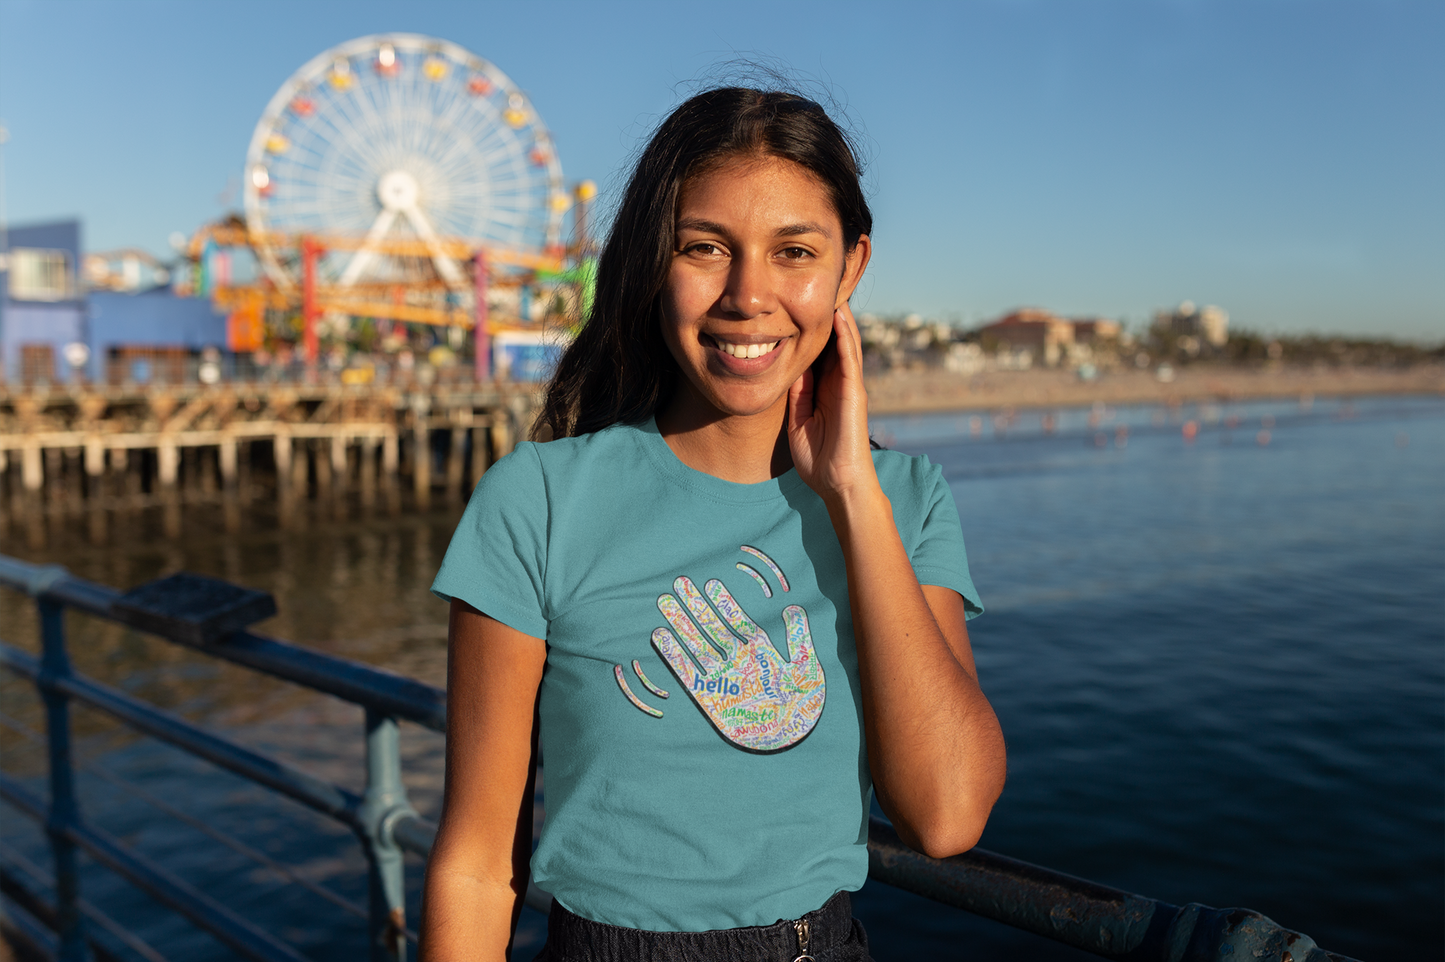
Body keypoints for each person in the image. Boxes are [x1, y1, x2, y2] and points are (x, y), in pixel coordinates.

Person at [422, 86, 1006, 962]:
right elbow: (474, 863)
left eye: (794, 251)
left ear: (850, 268)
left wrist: (852, 495)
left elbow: (946, 813)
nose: (747, 295)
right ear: (653, 261)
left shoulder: (901, 500)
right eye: (704, 248)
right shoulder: (538, 499)